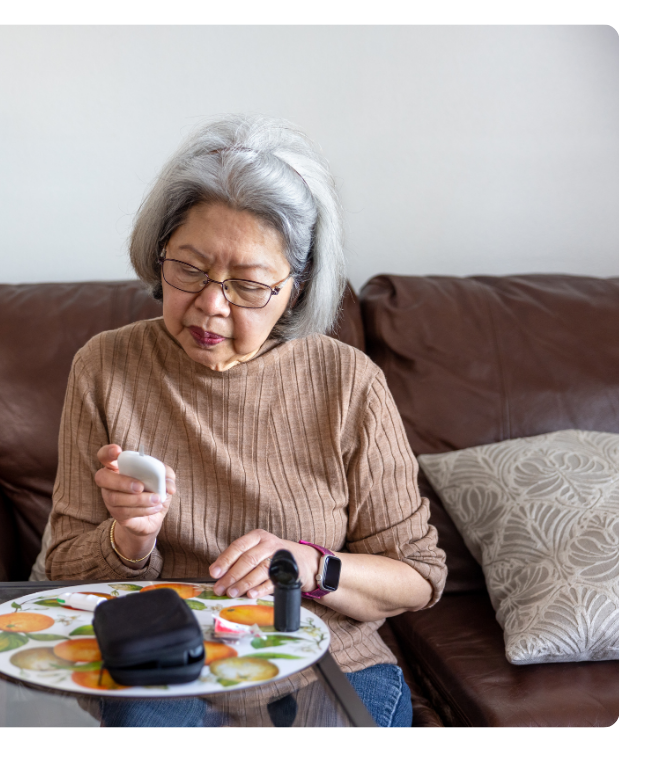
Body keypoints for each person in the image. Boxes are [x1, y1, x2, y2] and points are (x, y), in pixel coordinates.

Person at [46, 115, 447, 728]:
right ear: (159, 255)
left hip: (325, 663)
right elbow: (62, 569)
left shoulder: (349, 383)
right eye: (189, 270)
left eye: (249, 285)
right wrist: (130, 539)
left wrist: (309, 566)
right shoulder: (105, 366)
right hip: (164, 663)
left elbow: (417, 577)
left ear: (296, 289)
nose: (210, 304)